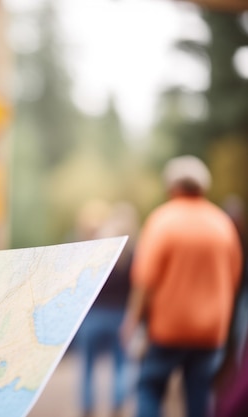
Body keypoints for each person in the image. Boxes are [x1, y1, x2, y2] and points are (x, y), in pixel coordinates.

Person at [120, 155, 243, 417]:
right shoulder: (222, 224)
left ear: (171, 187)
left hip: (168, 329)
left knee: (150, 387)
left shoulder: (162, 221)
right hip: (211, 332)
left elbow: (144, 279)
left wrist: (132, 320)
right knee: (200, 393)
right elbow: (234, 277)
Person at [75, 201, 139, 417]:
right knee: (121, 365)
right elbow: (137, 289)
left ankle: (86, 407)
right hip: (120, 316)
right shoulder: (132, 255)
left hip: (92, 316)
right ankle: (117, 404)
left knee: (87, 368)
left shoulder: (97, 254)